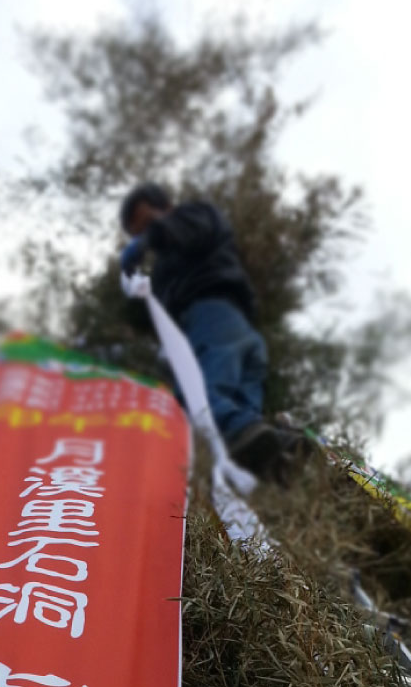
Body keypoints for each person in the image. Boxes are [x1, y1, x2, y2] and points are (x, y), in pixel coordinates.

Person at [119, 182, 310, 484]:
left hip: (212, 317)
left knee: (196, 396)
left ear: (166, 207)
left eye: (147, 222)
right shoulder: (173, 259)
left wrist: (149, 239)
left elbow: (185, 231)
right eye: (137, 232)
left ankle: (256, 436)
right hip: (237, 329)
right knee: (245, 419)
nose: (145, 234)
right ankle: (282, 455)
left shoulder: (194, 216)